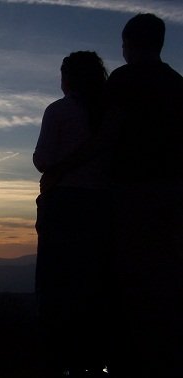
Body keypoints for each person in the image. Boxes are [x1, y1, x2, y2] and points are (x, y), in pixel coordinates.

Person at [102, 13, 183, 378]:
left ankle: (128, 359)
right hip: (173, 192)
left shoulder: (122, 80)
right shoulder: (177, 83)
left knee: (127, 278)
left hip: (129, 191)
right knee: (165, 275)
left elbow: (109, 132)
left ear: (128, 44)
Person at [33, 51, 111, 377]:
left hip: (63, 205)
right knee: (94, 285)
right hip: (102, 207)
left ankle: (61, 361)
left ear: (67, 78)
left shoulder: (60, 111)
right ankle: (95, 360)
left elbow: (43, 159)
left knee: (56, 285)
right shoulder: (111, 112)